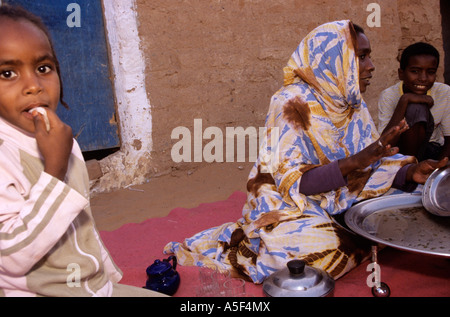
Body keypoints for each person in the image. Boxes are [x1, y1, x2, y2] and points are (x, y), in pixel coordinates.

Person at [164, 21, 448, 284]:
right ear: (331, 57)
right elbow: (295, 182)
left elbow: (374, 165)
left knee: (413, 202)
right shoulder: (290, 103)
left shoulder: (351, 102)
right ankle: (352, 237)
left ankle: (355, 232)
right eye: (361, 56)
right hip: (294, 201)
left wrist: (410, 171)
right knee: (316, 248)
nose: (371, 66)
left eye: (368, 56)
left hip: (345, 192)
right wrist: (358, 160)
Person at [0, 4, 166, 297]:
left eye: (43, 68)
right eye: (8, 73)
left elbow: (80, 222)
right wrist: (54, 170)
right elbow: (12, 256)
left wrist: (108, 278)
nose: (33, 86)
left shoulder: (62, 139)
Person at [378, 42, 450, 161]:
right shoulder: (388, 95)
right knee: (415, 108)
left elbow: (449, 142)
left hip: (432, 152)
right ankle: (409, 168)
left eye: (430, 72)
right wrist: (405, 100)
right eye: (415, 71)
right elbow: (385, 144)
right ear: (401, 74)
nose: (423, 78)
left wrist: (437, 172)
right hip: (400, 152)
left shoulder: (444, 92)